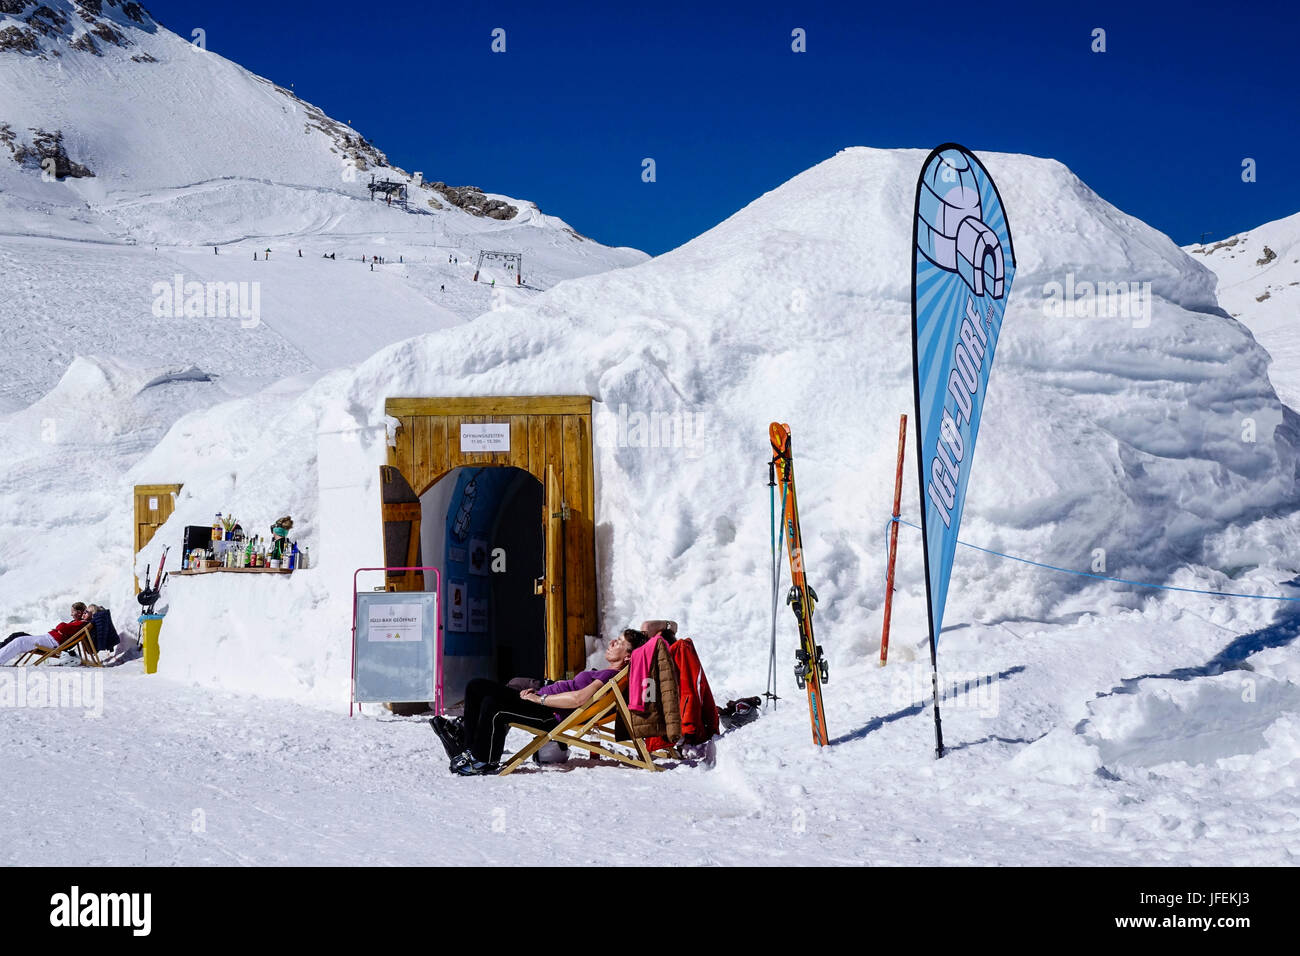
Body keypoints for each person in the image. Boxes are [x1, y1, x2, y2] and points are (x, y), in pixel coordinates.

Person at [431, 629, 649, 775]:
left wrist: (540, 698)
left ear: (628, 656)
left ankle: (482, 759)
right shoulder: (607, 673)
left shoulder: (608, 677)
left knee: (492, 704)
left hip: (548, 713)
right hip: (542, 703)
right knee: (476, 686)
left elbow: (579, 699)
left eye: (620, 642)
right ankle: (468, 748)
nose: (612, 642)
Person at [0, 602, 91, 666]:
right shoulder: (77, 623)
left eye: (72, 612)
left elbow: (61, 627)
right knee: (19, 638)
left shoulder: (81, 623)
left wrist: (61, 627)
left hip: (52, 641)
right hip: (50, 639)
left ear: (79, 613)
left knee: (19, 641)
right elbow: (63, 630)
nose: (71, 614)